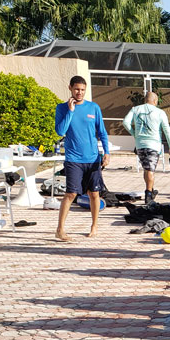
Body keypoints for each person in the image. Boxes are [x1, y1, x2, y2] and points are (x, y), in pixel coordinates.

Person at [54, 75, 110, 241]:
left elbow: (102, 132)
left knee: (94, 193)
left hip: (92, 158)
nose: (80, 92)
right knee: (71, 194)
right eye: (77, 89)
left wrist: (106, 152)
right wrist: (70, 112)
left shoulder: (93, 108)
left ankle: (94, 226)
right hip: (73, 158)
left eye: (83, 90)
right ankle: (60, 229)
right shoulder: (62, 108)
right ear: (70, 88)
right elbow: (60, 131)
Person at [122, 91, 170, 203]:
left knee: (146, 168)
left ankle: (150, 189)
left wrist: (135, 134)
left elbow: (125, 122)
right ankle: (148, 195)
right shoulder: (160, 112)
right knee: (150, 169)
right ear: (155, 101)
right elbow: (167, 130)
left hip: (140, 144)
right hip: (154, 144)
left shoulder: (135, 109)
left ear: (145, 100)